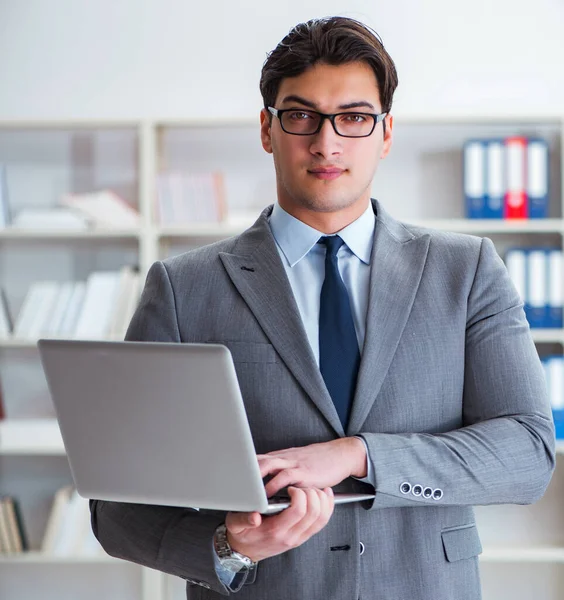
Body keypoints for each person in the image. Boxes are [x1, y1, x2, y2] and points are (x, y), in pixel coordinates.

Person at [90, 16, 555, 600]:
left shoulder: (466, 272)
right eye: (301, 115)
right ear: (267, 129)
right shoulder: (185, 287)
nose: (326, 142)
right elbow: (117, 504)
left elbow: (527, 453)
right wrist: (227, 546)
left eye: (355, 118)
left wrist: (358, 456)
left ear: (386, 134)